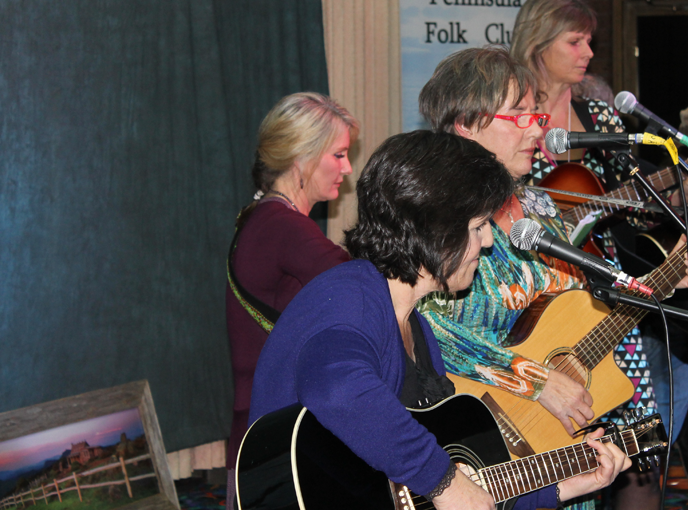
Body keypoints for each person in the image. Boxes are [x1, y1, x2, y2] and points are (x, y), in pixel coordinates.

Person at [248, 131, 631, 510]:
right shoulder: (350, 298)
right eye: (478, 227)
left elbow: (469, 484)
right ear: (434, 230)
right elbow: (336, 390)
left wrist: (560, 487)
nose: (488, 242)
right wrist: (443, 480)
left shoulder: (419, 330)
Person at [416, 46, 688, 510]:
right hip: (477, 458)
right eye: (521, 115)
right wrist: (536, 382)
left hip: (559, 445)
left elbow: (572, 319)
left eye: (537, 114)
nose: (539, 128)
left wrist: (662, 283)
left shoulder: (540, 207)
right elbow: (421, 327)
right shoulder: (433, 220)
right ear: (466, 125)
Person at [224, 92, 358, 504]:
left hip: (263, 433)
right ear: (302, 157)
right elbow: (364, 287)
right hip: (277, 441)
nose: (348, 168)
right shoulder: (284, 226)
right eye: (338, 155)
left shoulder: (263, 216)